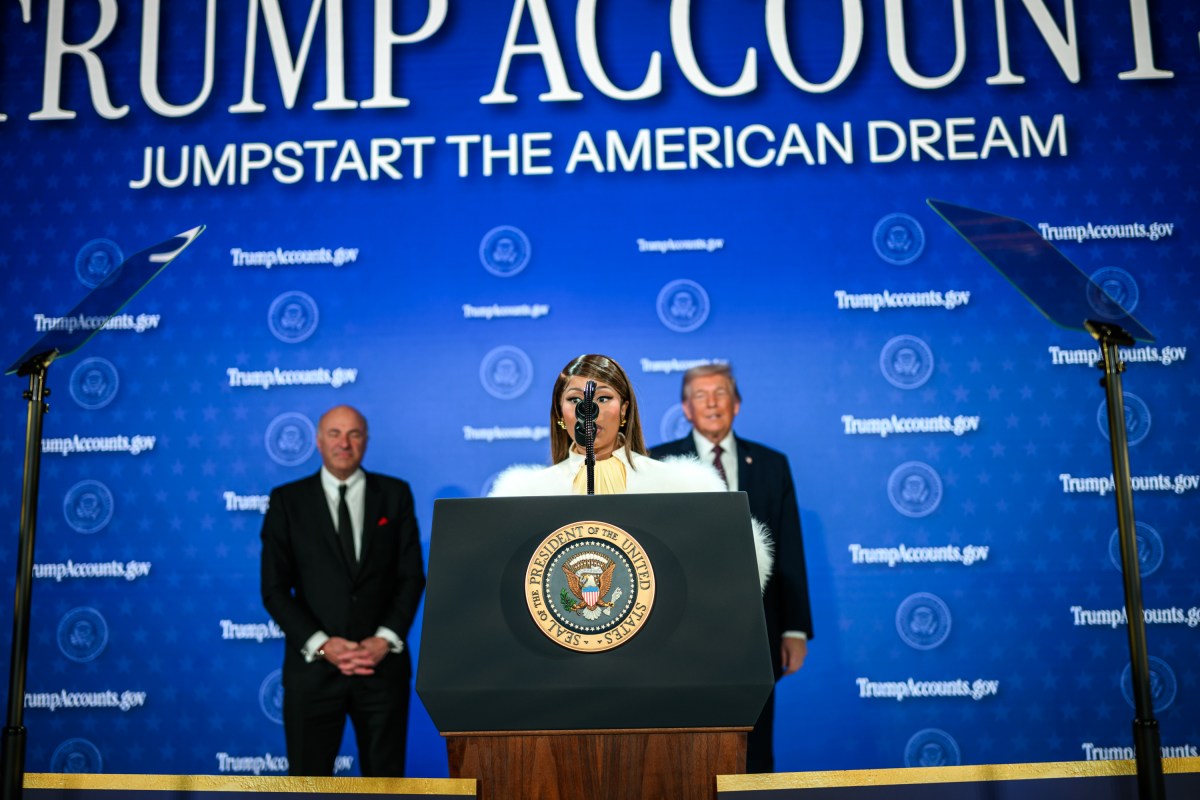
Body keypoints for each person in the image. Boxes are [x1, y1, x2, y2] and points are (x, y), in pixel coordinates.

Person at [650, 363, 814, 774]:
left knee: (754, 749)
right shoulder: (659, 463)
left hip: (756, 630)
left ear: (736, 404)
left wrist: (794, 628)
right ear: (686, 408)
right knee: (684, 753)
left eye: (720, 393)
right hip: (680, 635)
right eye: (700, 395)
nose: (711, 403)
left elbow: (788, 548)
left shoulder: (773, 465)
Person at [489, 354, 772, 590]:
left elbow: (736, 568)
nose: (590, 410)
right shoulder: (524, 494)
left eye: (603, 398)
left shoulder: (679, 485)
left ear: (624, 410)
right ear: (560, 413)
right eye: (575, 400)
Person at [260, 405, 426, 777]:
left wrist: (384, 640)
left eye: (353, 434)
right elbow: (273, 589)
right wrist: (322, 644)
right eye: (335, 434)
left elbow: (411, 576)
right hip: (313, 675)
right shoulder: (288, 501)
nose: (344, 443)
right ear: (318, 441)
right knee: (309, 784)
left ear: (366, 441)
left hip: (381, 670)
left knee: (386, 785)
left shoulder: (395, 494)